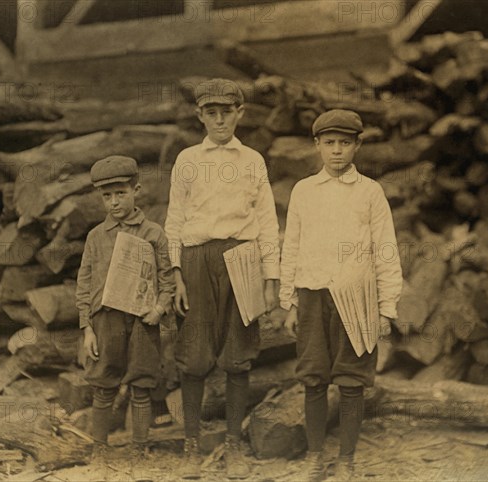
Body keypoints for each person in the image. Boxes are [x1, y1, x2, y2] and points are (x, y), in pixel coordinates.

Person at [165, 78, 281, 480]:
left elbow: (266, 220)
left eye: (226, 112)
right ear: (200, 115)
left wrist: (271, 277)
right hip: (197, 259)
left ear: (239, 114)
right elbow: (175, 219)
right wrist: (176, 273)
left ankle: (234, 443)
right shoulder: (187, 160)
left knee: (237, 355)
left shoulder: (252, 160)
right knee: (194, 355)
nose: (219, 120)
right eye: (211, 113)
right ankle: (191, 444)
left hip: (242, 257)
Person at [279, 110, 403, 481]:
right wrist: (290, 300)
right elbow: (293, 246)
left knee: (351, 380)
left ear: (357, 146)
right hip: (314, 297)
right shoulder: (303, 191)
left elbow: (385, 249)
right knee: (314, 377)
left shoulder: (370, 192)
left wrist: (386, 307)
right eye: (329, 143)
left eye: (345, 143)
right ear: (317, 145)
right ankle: (316, 457)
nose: (337, 151)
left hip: (357, 297)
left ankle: (346, 460)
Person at [75, 155, 175, 481]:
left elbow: (166, 279)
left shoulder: (154, 233)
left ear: (137, 190)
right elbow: (85, 282)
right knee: (104, 385)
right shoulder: (95, 237)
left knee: (141, 386)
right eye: (107, 196)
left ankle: (139, 449)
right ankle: (100, 448)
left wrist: (159, 309)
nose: (114, 202)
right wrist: (87, 327)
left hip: (143, 322)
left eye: (120, 193)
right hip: (106, 321)